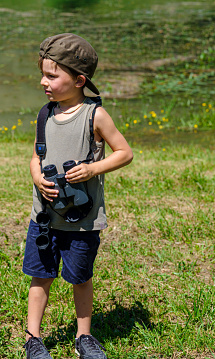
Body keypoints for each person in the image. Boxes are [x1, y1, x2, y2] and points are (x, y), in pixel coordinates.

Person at [22, 33, 133, 359]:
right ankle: (33, 338)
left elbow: (124, 152)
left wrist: (91, 170)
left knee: (80, 277)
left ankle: (84, 336)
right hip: (43, 218)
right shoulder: (45, 114)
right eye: (42, 74)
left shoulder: (94, 115)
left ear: (79, 80)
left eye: (52, 76)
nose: (43, 81)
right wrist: (37, 176)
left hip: (82, 221)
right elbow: (35, 157)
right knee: (40, 276)